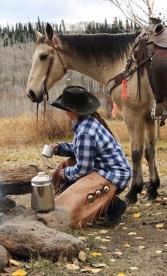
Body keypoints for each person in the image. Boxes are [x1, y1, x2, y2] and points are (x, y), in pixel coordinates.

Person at [49, 85, 131, 229]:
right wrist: (60, 148)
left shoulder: (85, 131)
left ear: (70, 111)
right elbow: (79, 150)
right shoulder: (86, 122)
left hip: (113, 175)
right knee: (66, 162)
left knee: (73, 198)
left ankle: (114, 206)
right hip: (103, 170)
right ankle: (57, 197)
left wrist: (66, 173)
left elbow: (84, 168)